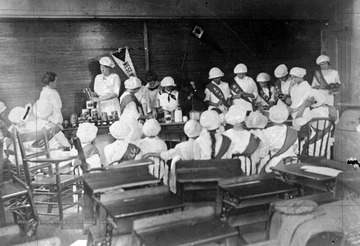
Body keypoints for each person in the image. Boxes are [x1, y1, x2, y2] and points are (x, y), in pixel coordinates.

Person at [292, 89, 338, 158]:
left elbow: (297, 122)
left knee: (296, 146)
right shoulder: (334, 109)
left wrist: (304, 106)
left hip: (312, 149)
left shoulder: (314, 112)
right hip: (326, 147)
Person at [258, 105, 298, 173]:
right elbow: (296, 150)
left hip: (274, 164)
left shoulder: (265, 132)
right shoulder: (293, 131)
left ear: (270, 117)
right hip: (292, 162)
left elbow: (262, 153)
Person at [224, 105, 261, 175]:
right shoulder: (253, 136)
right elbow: (256, 159)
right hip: (248, 172)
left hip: (229, 171)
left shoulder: (224, 135)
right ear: (244, 119)